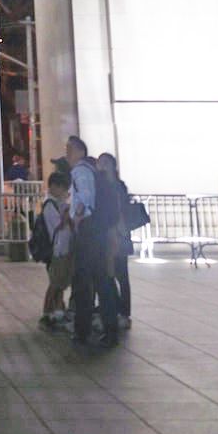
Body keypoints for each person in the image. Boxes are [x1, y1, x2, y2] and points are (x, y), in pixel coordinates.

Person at [67, 135, 119, 349]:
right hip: (99, 232)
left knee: (82, 283)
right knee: (102, 280)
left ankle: (83, 330)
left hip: (88, 233)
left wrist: (78, 218)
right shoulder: (93, 169)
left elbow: (86, 199)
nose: (67, 154)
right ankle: (109, 328)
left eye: (69, 149)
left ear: (78, 151)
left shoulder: (81, 170)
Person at [97, 151, 132, 327]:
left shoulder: (118, 186)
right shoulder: (101, 185)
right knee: (109, 273)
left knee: (122, 274)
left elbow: (121, 210)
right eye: (99, 162)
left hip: (119, 233)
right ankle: (115, 308)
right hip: (107, 234)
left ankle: (124, 313)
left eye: (105, 162)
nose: (101, 166)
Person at [38, 169, 73, 327]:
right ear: (54, 187)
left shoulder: (58, 204)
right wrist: (67, 217)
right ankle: (48, 311)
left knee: (59, 281)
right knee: (55, 282)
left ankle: (58, 309)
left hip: (62, 248)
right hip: (56, 249)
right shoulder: (50, 205)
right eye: (63, 188)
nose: (65, 192)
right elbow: (56, 227)